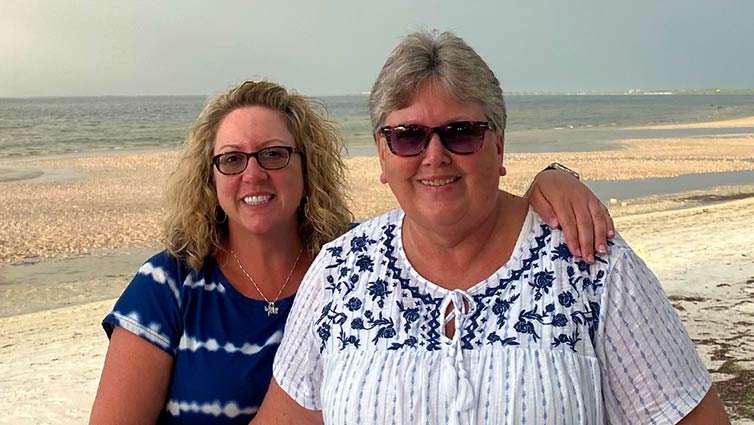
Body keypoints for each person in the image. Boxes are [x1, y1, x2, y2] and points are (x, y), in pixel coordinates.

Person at [254, 31, 730, 424]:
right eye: (408, 136)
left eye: (462, 132)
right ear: (383, 156)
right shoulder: (342, 272)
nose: (434, 155)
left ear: (498, 147)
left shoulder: (590, 264)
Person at [89, 79, 613, 425]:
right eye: (231, 159)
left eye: (274, 154)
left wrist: (553, 179)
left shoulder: (354, 270)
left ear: (306, 165)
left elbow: (450, 224)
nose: (253, 173)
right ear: (211, 178)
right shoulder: (170, 286)